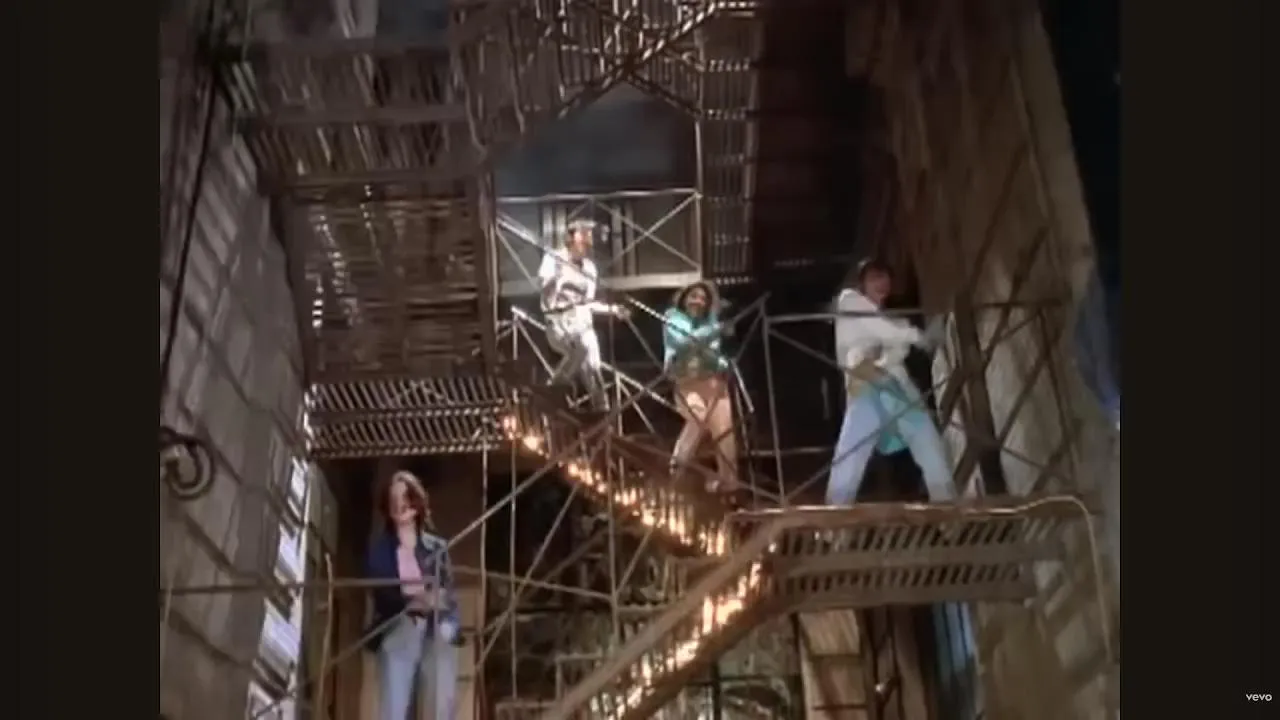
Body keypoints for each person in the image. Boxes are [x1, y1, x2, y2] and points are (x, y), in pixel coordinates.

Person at [826, 258, 956, 506]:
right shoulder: (849, 301)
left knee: (930, 446)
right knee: (851, 455)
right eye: (875, 277)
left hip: (897, 389)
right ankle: (834, 516)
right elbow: (883, 333)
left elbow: (895, 350)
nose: (882, 283)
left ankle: (947, 509)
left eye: (885, 278)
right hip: (867, 386)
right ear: (862, 284)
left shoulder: (894, 323)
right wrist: (919, 337)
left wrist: (889, 350)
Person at [365, 471, 460, 720]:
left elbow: (448, 595)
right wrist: (416, 601)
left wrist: (437, 607)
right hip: (400, 626)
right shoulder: (381, 550)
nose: (400, 504)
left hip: (434, 627)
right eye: (393, 499)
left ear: (417, 503)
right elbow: (383, 595)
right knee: (394, 702)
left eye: (405, 497)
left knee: (442, 650)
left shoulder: (436, 547)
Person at [537, 219, 628, 411]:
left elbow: (587, 302)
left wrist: (612, 310)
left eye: (589, 236)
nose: (588, 240)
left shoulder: (589, 268)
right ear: (571, 238)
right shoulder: (553, 258)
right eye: (583, 234)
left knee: (593, 367)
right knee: (581, 349)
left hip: (582, 321)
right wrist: (556, 278)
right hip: (559, 320)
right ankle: (554, 388)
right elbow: (545, 296)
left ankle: (601, 409)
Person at [663, 280, 739, 495]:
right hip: (687, 383)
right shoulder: (673, 319)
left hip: (714, 382)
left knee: (724, 433)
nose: (698, 301)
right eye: (694, 296)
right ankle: (677, 470)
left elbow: (711, 355)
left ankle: (728, 484)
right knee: (697, 416)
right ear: (684, 298)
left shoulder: (711, 323)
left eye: (703, 299)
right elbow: (684, 342)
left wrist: (722, 363)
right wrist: (714, 331)